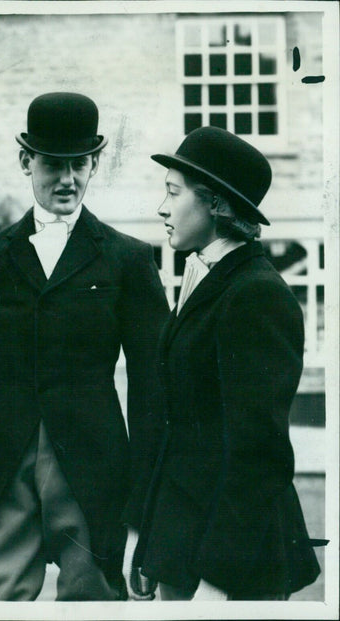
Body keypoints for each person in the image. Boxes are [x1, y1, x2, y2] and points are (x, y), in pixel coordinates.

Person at [0, 92, 169, 600]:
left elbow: (154, 380)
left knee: (92, 598)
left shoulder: (128, 258)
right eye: (53, 164)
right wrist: (11, 422)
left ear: (94, 164)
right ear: (26, 161)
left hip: (93, 461)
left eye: (79, 164)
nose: (67, 179)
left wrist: (141, 480)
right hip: (3, 456)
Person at [131, 126, 322, 600]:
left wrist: (219, 579)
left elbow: (259, 454)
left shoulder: (256, 293)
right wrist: (149, 545)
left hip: (234, 558)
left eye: (174, 192)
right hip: (183, 542)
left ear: (216, 204)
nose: (161, 207)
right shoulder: (211, 276)